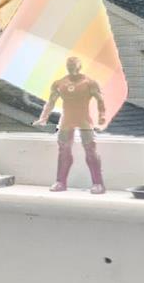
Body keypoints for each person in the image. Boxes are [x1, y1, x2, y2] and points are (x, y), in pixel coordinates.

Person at [37, 55, 107, 193]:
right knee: (63, 150)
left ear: (79, 67)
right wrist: (43, 117)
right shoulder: (59, 83)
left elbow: (100, 100)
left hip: (84, 118)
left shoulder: (89, 82)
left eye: (74, 67)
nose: (72, 70)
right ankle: (60, 182)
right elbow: (51, 102)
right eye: (70, 67)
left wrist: (102, 116)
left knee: (90, 150)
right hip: (67, 118)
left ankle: (98, 183)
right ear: (67, 68)